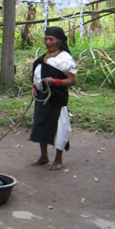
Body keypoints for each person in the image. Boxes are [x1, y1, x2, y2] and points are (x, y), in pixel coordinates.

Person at [30, 27, 77, 170]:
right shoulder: (44, 57)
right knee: (41, 124)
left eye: (51, 39)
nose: (48, 42)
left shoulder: (65, 59)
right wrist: (34, 86)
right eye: (46, 39)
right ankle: (44, 156)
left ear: (59, 41)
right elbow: (37, 74)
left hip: (56, 98)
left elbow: (72, 80)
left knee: (59, 127)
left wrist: (55, 82)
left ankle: (58, 159)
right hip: (42, 97)